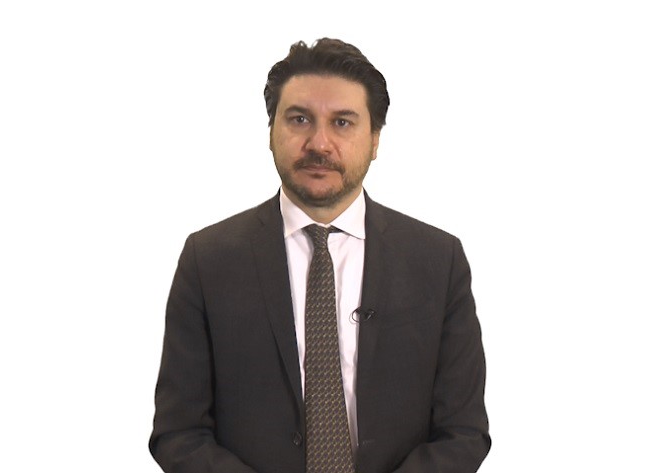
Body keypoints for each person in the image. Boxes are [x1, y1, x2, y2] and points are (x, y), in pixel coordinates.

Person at [149, 38, 490, 473]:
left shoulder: (438, 261)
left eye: (342, 122)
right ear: (270, 132)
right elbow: (179, 433)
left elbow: (463, 432)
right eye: (299, 119)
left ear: (375, 140)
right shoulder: (208, 260)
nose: (319, 143)